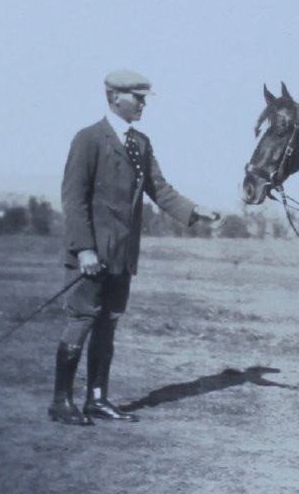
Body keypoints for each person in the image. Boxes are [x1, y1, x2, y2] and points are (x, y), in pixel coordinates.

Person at [48, 69, 220, 426]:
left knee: (108, 324)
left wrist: (195, 211)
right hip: (91, 256)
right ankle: (61, 402)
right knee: (82, 320)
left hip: (122, 256)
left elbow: (160, 189)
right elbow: (74, 199)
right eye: (138, 98)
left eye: (144, 98)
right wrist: (84, 249)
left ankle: (97, 400)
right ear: (115, 97)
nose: (143, 104)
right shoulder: (88, 139)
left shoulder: (141, 143)